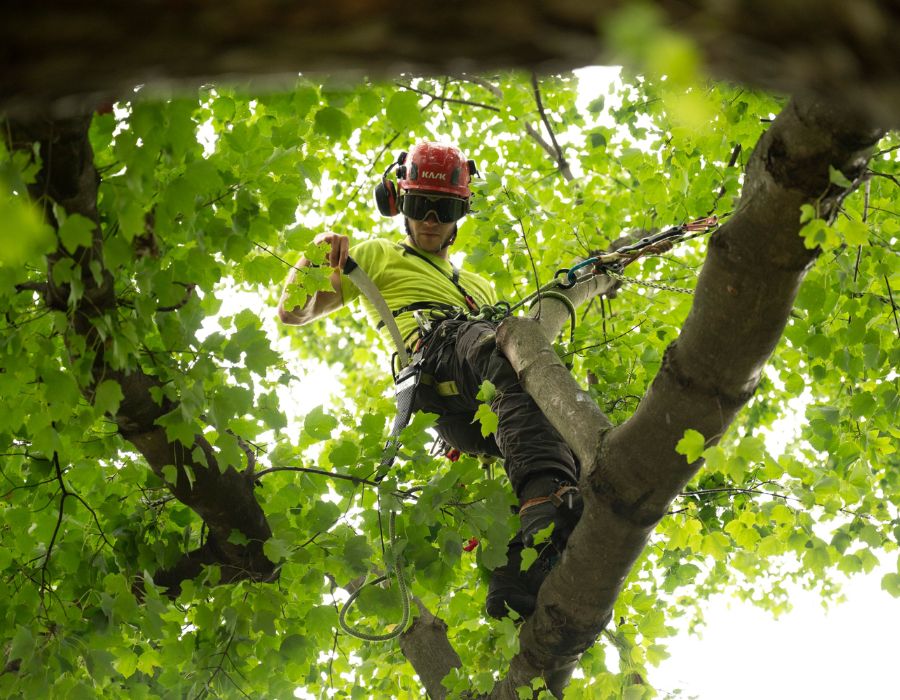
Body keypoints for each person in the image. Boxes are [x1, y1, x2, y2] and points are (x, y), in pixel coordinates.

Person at [278, 141, 582, 619]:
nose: (432, 219)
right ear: (399, 203)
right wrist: (315, 260)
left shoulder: (479, 287)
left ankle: (517, 575)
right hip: (436, 357)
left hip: (475, 402)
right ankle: (544, 502)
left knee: (553, 418)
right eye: (421, 205)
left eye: (446, 208)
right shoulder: (377, 254)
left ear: (462, 213)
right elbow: (295, 311)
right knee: (498, 345)